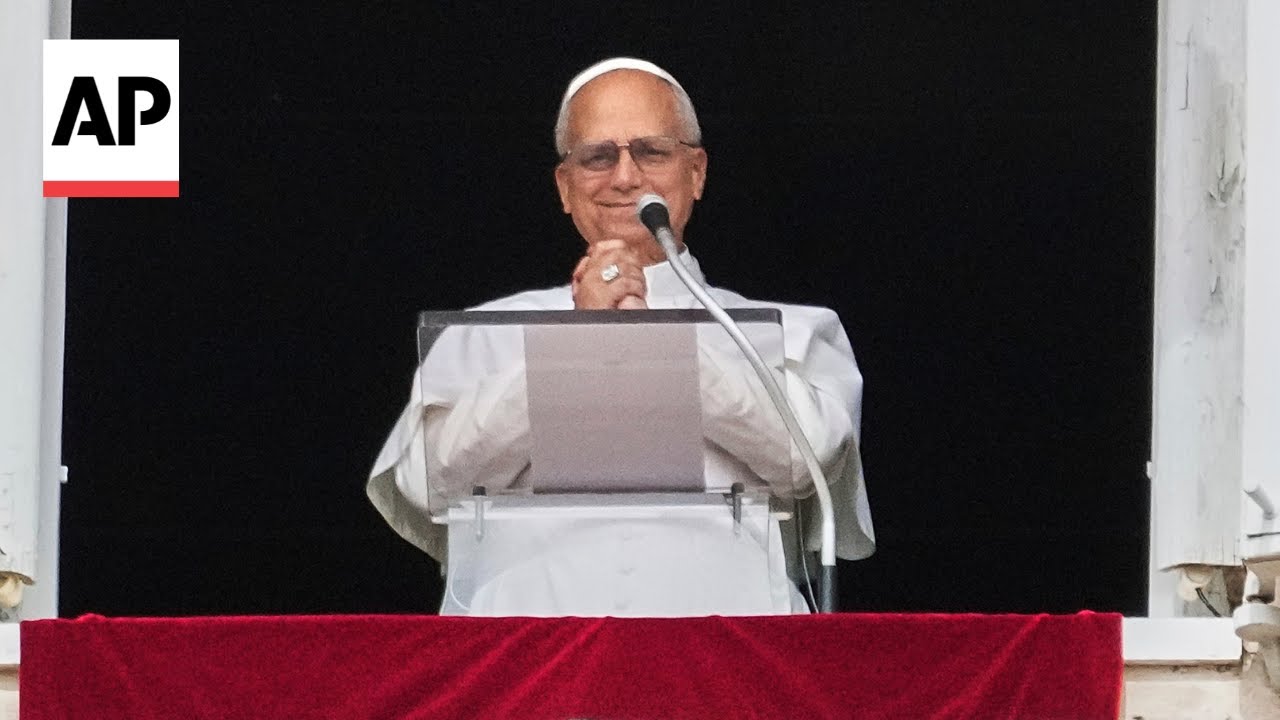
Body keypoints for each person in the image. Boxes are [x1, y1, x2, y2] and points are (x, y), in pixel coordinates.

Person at [367, 57, 874, 616]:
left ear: (697, 172)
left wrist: (654, 338)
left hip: (731, 649)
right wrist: (574, 345)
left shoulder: (794, 328)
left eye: (652, 151)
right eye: (597, 157)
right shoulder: (484, 330)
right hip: (527, 655)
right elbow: (424, 484)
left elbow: (807, 465)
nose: (626, 177)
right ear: (565, 186)